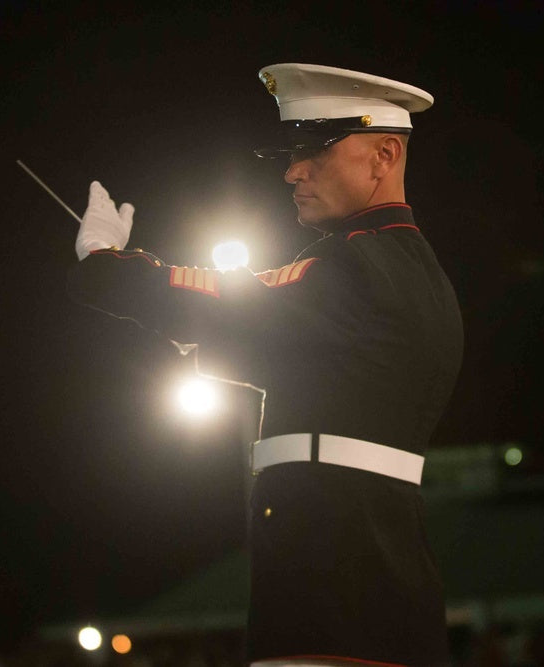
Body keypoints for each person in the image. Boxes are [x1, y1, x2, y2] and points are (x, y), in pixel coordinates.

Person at [67, 63, 463, 667]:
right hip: (374, 582)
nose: (292, 171)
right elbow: (304, 359)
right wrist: (204, 334)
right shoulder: (415, 276)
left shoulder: (357, 267)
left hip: (330, 587)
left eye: (315, 149)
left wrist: (105, 262)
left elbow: (228, 300)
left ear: (384, 154)